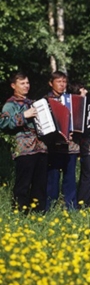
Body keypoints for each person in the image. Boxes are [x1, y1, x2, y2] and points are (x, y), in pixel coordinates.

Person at [0, 72, 48, 213]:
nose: (26, 86)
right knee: (23, 184)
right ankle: (19, 212)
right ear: (13, 86)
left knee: (40, 184)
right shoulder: (10, 105)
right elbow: (3, 123)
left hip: (40, 147)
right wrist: (23, 116)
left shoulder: (33, 103)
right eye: (22, 83)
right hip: (24, 149)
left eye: (27, 83)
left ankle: (39, 213)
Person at [45, 71, 79, 210]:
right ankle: (50, 207)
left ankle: (71, 207)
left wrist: (78, 127)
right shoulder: (45, 101)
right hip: (54, 145)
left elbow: (78, 119)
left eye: (64, 82)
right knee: (52, 178)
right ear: (51, 83)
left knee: (70, 178)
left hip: (71, 146)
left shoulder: (71, 99)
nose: (62, 85)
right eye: (59, 82)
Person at [69, 82, 90, 209]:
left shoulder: (89, 103)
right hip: (82, 141)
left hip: (88, 141)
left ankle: (88, 200)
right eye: (83, 89)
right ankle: (84, 201)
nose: (86, 91)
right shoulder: (73, 103)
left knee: (89, 171)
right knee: (89, 171)